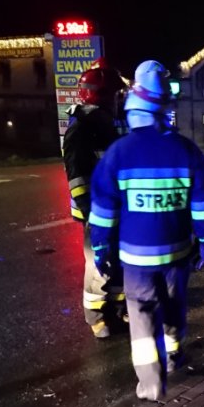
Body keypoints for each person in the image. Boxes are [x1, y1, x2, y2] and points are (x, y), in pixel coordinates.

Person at [89, 60, 204, 401]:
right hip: (178, 252)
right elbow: (203, 204)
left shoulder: (118, 153)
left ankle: (150, 382)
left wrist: (101, 249)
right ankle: (174, 355)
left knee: (142, 313)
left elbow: (102, 212)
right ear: (164, 109)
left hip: (135, 258)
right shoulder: (187, 151)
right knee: (174, 305)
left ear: (133, 108)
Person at [62, 62, 128, 339]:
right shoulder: (83, 128)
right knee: (99, 264)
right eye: (114, 94)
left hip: (118, 207)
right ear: (100, 95)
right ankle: (96, 317)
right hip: (97, 211)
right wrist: (91, 213)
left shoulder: (112, 124)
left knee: (118, 260)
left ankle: (116, 307)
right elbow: (77, 178)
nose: (119, 99)